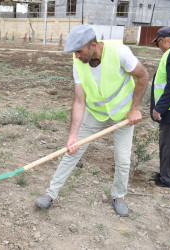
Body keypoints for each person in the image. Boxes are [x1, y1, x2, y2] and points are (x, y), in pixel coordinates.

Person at [35, 24, 149, 216]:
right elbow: (79, 101)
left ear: (93, 45)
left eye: (79, 51)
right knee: (72, 151)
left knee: (122, 159)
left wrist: (135, 109)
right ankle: (50, 194)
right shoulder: (78, 62)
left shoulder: (120, 52)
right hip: (95, 113)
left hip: (122, 115)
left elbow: (143, 76)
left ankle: (119, 197)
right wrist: (72, 136)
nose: (76, 56)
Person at [150, 27, 170, 188]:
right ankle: (168, 173)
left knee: (168, 145)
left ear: (163, 40)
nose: (159, 47)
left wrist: (160, 108)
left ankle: (168, 178)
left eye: (158, 43)